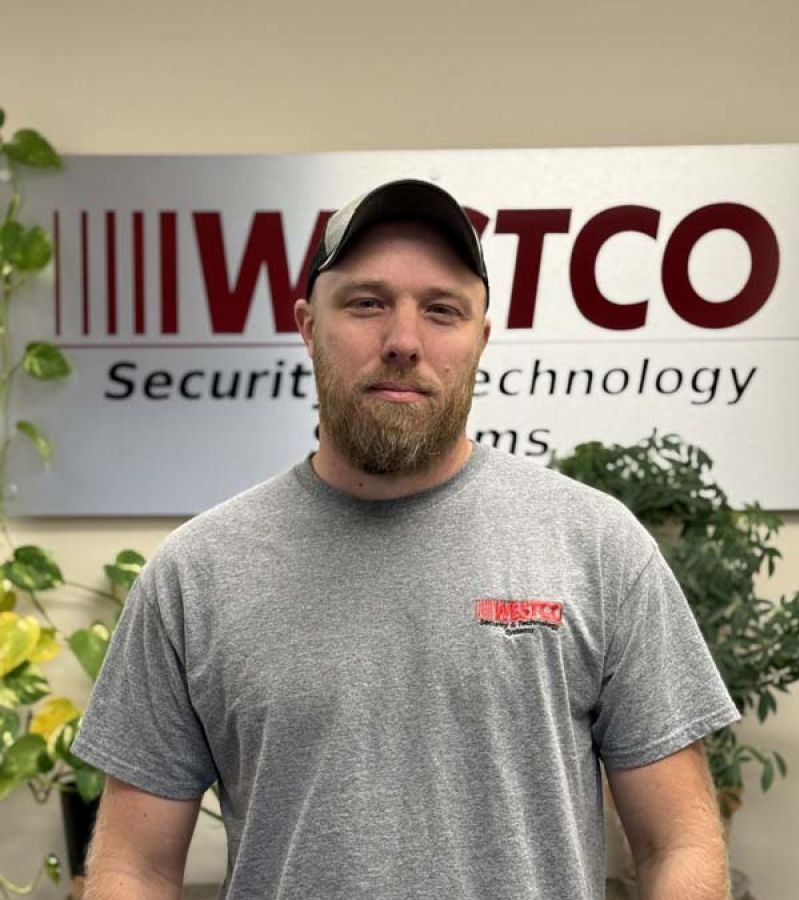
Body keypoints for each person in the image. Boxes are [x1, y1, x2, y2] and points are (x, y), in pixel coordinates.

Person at [74, 179, 740, 900]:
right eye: (366, 304)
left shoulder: (598, 548)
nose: (402, 342)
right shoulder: (195, 576)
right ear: (306, 324)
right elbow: (132, 869)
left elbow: (680, 846)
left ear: (481, 337)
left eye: (442, 311)